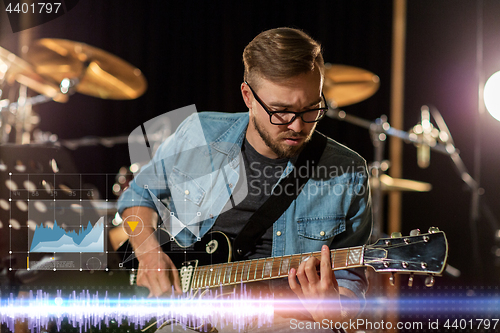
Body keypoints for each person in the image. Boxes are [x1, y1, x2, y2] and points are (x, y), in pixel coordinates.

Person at [117, 27, 372, 332]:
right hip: (179, 316)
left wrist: (331, 311)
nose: (297, 126)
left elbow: (349, 279)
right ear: (248, 97)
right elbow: (136, 198)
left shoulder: (349, 172)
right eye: (281, 111)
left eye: (311, 109)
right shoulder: (199, 133)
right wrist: (147, 252)